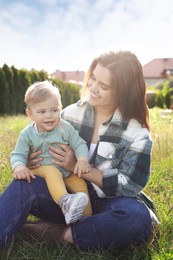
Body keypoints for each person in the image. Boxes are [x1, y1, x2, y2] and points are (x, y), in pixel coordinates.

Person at [0, 50, 159, 250]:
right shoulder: (70, 114)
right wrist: (31, 161)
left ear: (122, 91)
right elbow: (37, 141)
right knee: (22, 184)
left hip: (108, 203)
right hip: (65, 197)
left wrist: (79, 167)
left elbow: (131, 184)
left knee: (137, 219)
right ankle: (80, 230)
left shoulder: (137, 133)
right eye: (93, 78)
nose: (92, 87)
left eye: (103, 86)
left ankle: (55, 232)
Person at [10, 80, 92, 225]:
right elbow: (18, 154)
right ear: (30, 114)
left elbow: (79, 144)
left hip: (67, 172)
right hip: (42, 169)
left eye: (54, 110)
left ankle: (85, 219)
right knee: (52, 172)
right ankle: (65, 202)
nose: (49, 116)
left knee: (81, 185)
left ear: (60, 108)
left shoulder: (65, 128)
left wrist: (82, 160)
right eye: (42, 112)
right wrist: (19, 167)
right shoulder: (27, 134)